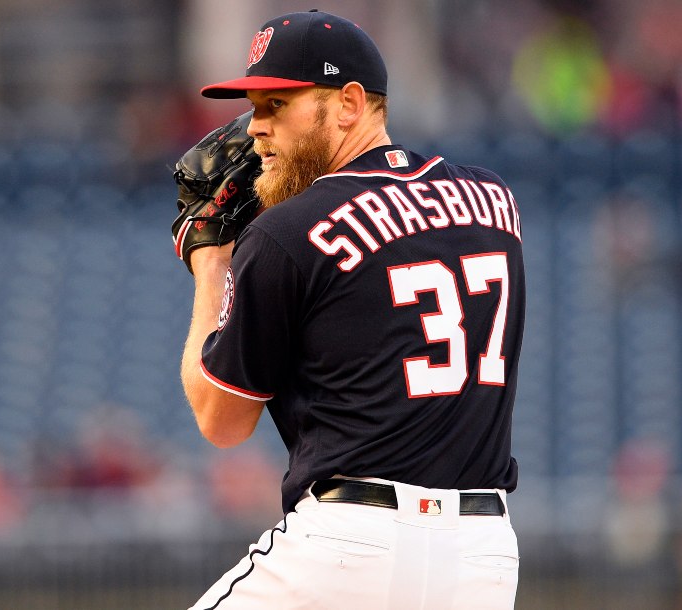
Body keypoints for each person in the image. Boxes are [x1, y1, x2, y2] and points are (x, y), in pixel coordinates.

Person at [178, 10, 524, 609]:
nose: (255, 129)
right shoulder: (495, 203)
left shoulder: (287, 233)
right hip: (483, 557)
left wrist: (212, 261)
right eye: (255, 108)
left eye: (276, 105)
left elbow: (221, 420)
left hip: (351, 542)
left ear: (349, 104)